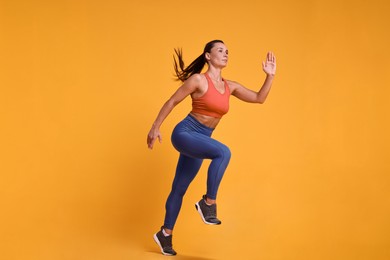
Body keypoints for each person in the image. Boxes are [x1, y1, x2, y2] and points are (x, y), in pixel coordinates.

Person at [147, 40, 276, 256]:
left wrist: (269, 76)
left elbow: (258, 98)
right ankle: (208, 203)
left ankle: (165, 235)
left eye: (227, 51)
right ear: (208, 56)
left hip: (202, 138)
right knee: (223, 152)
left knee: (179, 188)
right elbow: (172, 101)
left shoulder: (230, 86)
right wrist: (155, 127)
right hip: (185, 133)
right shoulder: (198, 80)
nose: (225, 54)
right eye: (220, 50)